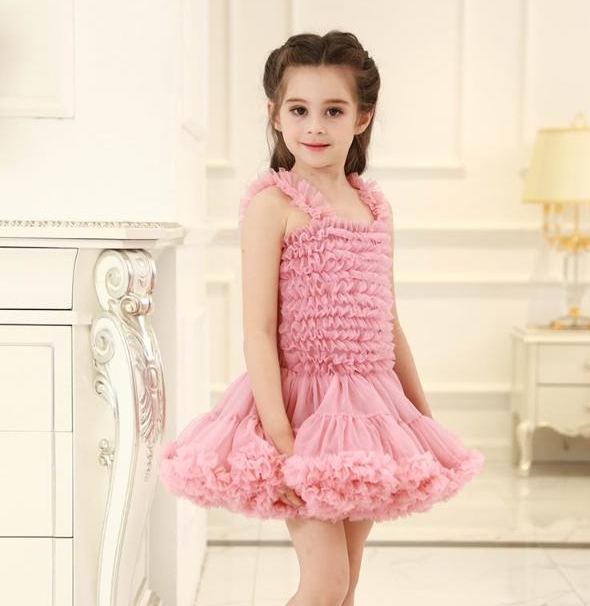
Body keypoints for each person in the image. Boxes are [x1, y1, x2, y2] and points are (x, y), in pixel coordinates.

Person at [160, 30, 485, 606]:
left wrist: (420, 417)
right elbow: (258, 332)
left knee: (346, 585)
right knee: (325, 582)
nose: (315, 126)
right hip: (299, 413)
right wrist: (283, 440)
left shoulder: (374, 208)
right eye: (299, 110)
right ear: (275, 114)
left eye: (333, 110)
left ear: (362, 117)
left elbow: (388, 323)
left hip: (367, 413)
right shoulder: (272, 205)